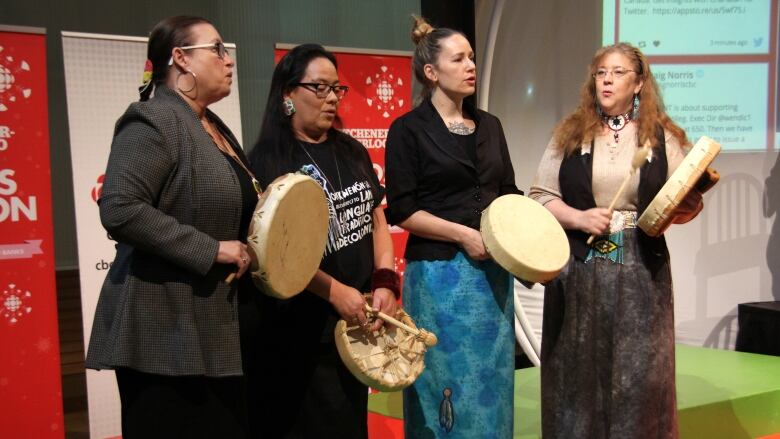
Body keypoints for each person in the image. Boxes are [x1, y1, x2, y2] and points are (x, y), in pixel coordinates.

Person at [85, 16, 258, 438]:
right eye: (216, 48)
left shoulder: (214, 127)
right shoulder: (153, 119)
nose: (227, 60)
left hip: (213, 330)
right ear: (181, 59)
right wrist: (213, 249)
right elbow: (120, 208)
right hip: (163, 333)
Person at [529, 42, 703, 438]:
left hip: (642, 269)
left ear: (639, 83)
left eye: (618, 72)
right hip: (579, 269)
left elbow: (683, 199)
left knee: (640, 373)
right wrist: (579, 217)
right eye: (601, 72)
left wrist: (685, 204)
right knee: (578, 368)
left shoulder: (660, 136)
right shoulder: (571, 132)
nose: (606, 79)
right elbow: (539, 195)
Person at [246, 43, 398, 439]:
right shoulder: (265, 161)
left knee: (349, 423)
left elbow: (376, 219)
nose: (332, 98)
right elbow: (273, 253)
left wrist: (384, 281)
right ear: (288, 95)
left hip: (354, 324)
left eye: (337, 89)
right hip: (298, 330)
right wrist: (333, 292)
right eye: (319, 88)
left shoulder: (351, 151)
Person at [384, 17, 521, 438]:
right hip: (439, 279)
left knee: (493, 382)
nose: (470, 66)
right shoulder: (408, 130)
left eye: (472, 58)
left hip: (492, 278)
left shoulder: (491, 125)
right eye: (458, 59)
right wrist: (463, 234)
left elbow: (509, 192)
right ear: (431, 72)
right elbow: (402, 210)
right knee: (442, 381)